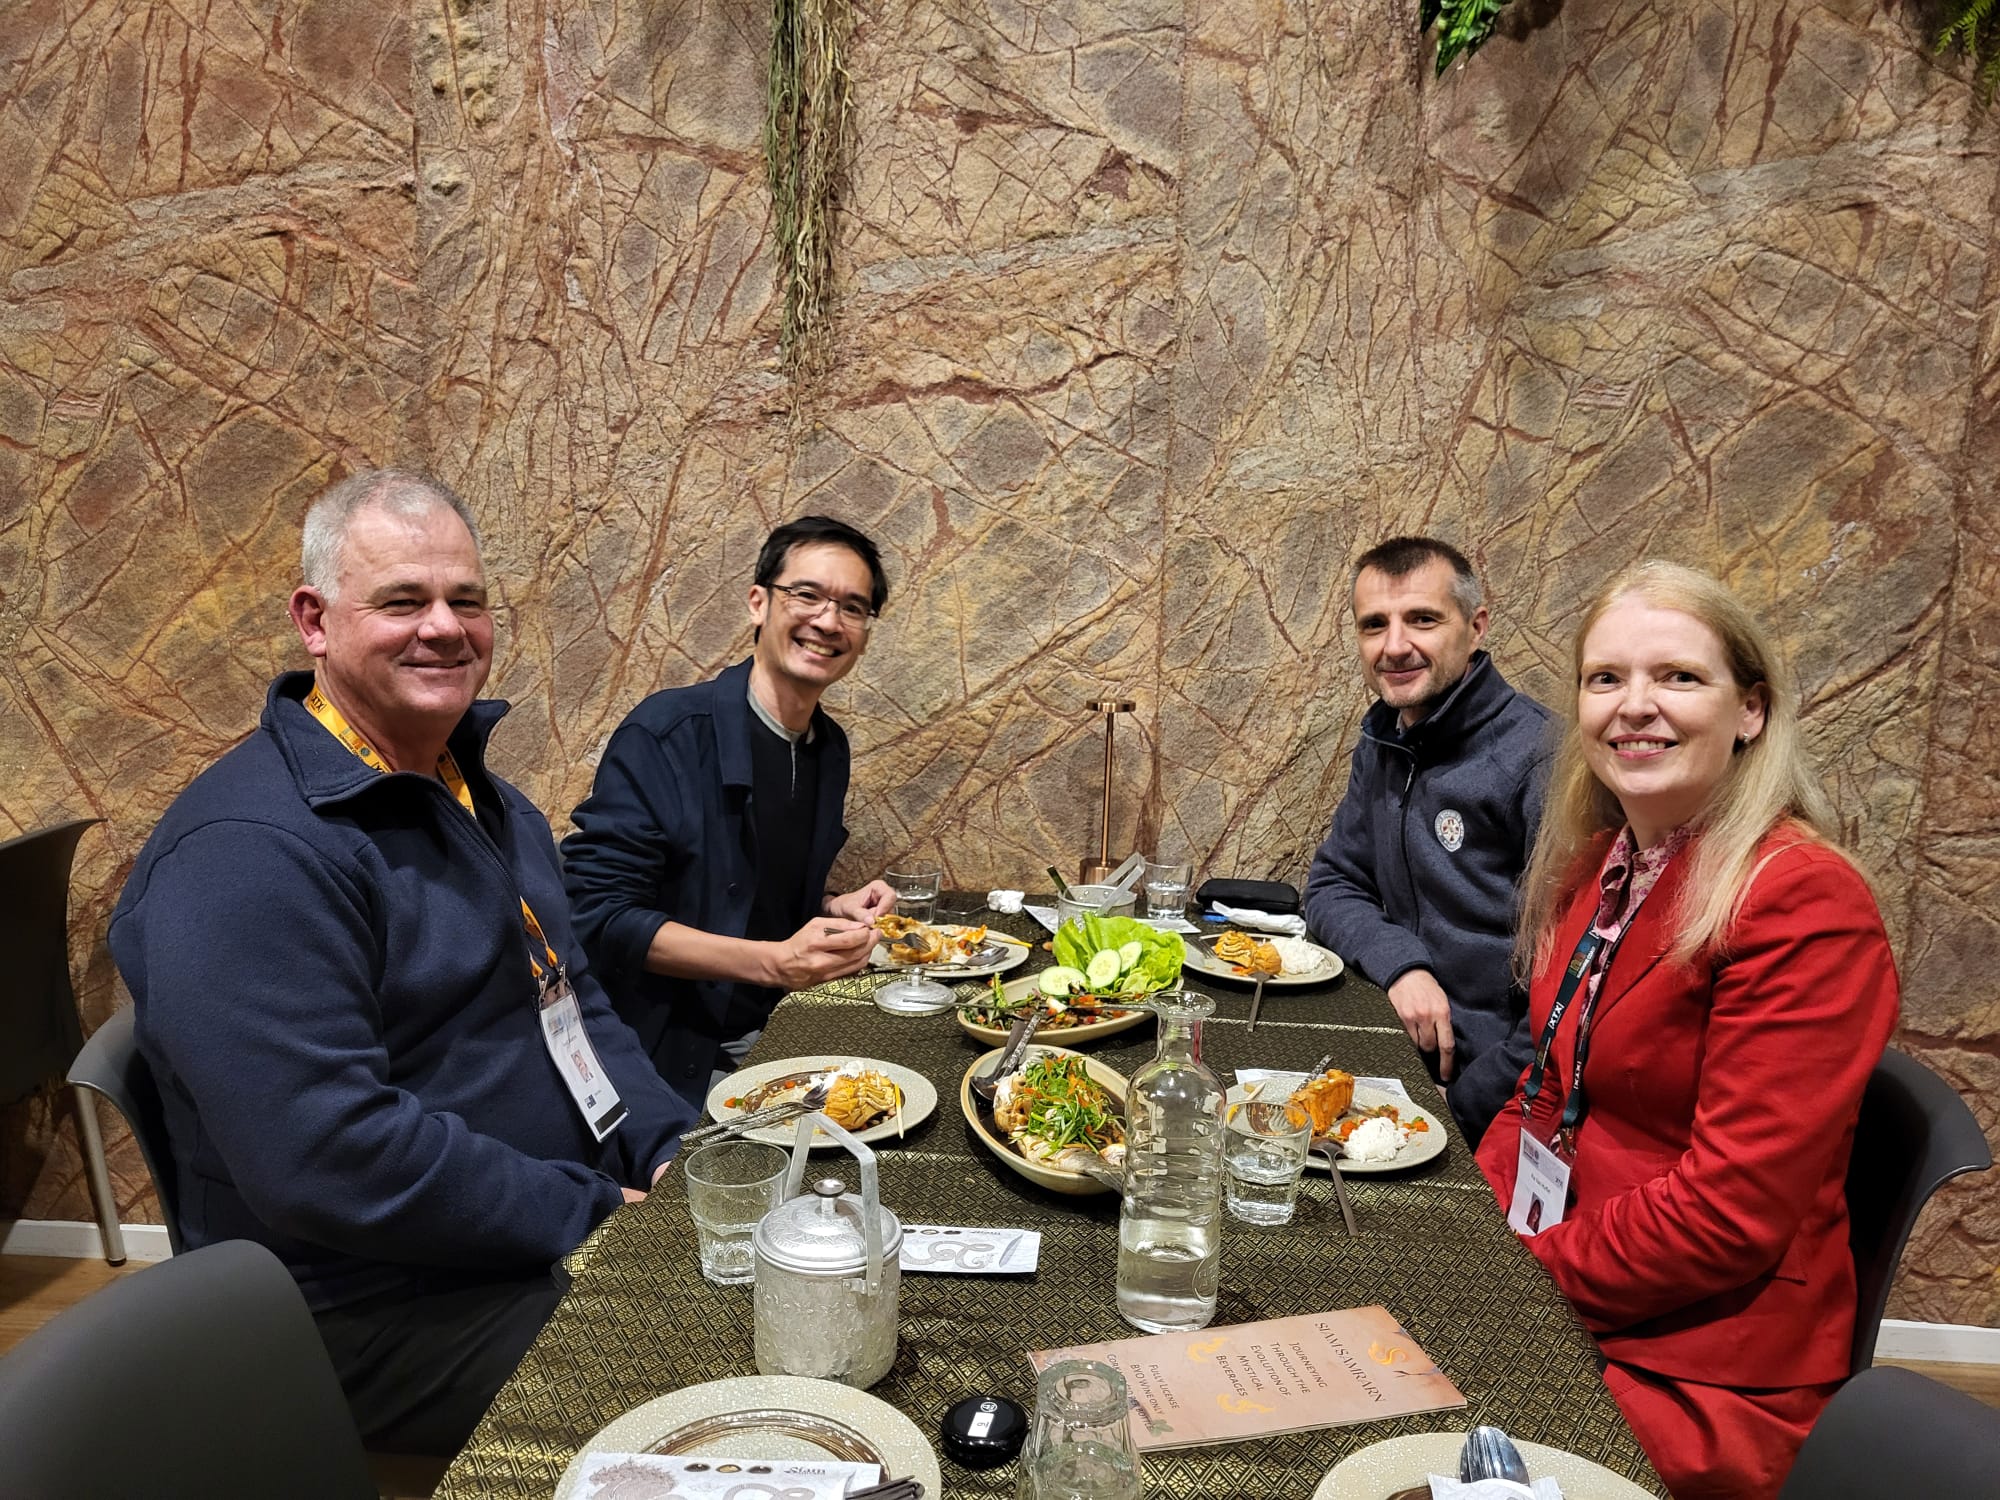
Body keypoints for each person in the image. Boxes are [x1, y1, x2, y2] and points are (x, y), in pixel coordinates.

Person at [108, 470, 698, 1457]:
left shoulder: (479, 795)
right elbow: (329, 1156)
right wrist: (598, 1212)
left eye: (466, 600)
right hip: (360, 1311)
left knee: (804, 1262)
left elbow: (575, 1001)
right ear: (315, 622)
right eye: (401, 601)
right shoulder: (245, 854)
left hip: (528, 1234)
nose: (444, 627)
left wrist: (666, 1147)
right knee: (727, 1363)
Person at [1476, 561, 1899, 1499]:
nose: (1635, 705)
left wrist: (1512, 1282)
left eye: (1677, 676)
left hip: (1700, 1368)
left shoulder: (1804, 902)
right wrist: (1473, 1228)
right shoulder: (1600, 863)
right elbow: (1546, 1088)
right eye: (1606, 678)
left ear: (1750, 709)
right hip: (1581, 1288)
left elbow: (1725, 1217)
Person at [563, 516, 898, 1106]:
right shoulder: (668, 733)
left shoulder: (827, 748)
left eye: (852, 607)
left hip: (775, 1032)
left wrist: (829, 907)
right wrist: (776, 963)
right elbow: (600, 916)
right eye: (807, 595)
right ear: (758, 603)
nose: (828, 621)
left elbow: (745, 894)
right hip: (660, 1060)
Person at [1303, 537, 1554, 1144]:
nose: (1394, 646)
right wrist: (1402, 967)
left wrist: (1464, 1106)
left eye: (1422, 619)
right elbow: (1333, 884)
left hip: (1492, 1097)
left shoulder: (1541, 757)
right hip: (1389, 1046)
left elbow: (1569, 991)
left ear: (1475, 627)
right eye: (1374, 624)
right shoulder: (1384, 739)